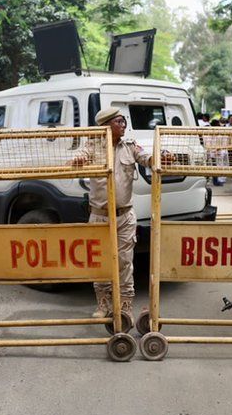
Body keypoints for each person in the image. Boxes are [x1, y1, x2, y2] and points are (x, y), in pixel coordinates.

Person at [71, 107, 166, 322]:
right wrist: (77, 162)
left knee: (124, 261)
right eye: (119, 122)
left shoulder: (130, 147)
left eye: (124, 122)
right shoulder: (92, 146)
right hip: (99, 216)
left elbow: (146, 157)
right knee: (100, 261)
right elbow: (80, 158)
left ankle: (124, 305)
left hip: (124, 216)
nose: (123, 125)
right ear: (107, 125)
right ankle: (103, 303)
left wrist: (159, 159)